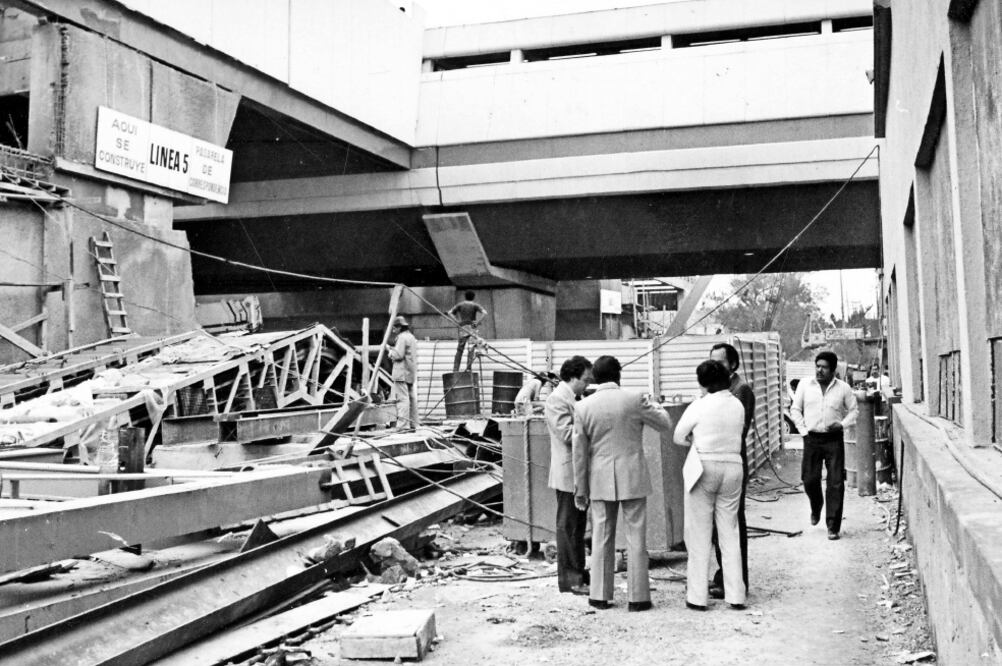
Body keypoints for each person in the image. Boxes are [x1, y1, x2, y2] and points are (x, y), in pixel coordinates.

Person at [572, 355, 674, 611]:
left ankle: (600, 595)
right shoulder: (635, 399)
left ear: (594, 377)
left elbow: (579, 453)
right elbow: (664, 423)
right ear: (619, 374)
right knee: (636, 536)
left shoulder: (583, 407)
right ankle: (638, 598)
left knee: (601, 535)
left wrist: (580, 489)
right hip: (632, 475)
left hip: (599, 477)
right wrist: (655, 404)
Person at [673, 359, 747, 611]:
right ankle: (736, 595)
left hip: (704, 465)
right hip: (733, 467)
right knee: (729, 532)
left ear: (703, 382)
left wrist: (696, 439)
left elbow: (678, 435)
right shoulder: (737, 404)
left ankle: (697, 597)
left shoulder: (700, 405)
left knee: (700, 534)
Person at [706, 342, 755, 600]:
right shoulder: (716, 391)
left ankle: (737, 581)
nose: (715, 366)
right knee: (717, 526)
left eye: (720, 362)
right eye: (712, 361)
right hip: (716, 466)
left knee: (733, 524)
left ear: (733, 365)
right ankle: (724, 577)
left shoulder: (741, 390)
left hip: (732, 465)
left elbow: (738, 430)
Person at [791, 350, 858, 540]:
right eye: (817, 366)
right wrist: (803, 432)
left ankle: (832, 526)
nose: (819, 370)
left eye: (824, 367)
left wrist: (842, 425)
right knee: (809, 479)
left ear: (833, 370)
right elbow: (795, 409)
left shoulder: (843, 388)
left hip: (833, 439)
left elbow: (854, 411)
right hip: (811, 438)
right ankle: (816, 505)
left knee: (835, 482)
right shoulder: (805, 385)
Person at [544, 356, 593, 595]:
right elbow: (566, 435)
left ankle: (579, 574)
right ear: (572, 377)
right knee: (569, 527)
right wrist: (592, 426)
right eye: (584, 380)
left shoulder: (574, 398)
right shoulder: (556, 400)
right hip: (567, 473)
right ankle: (571, 580)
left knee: (577, 526)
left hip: (577, 472)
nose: (587, 384)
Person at [386, 315, 418, 429]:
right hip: (409, 372)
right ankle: (414, 425)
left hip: (401, 372)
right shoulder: (411, 337)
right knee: (411, 398)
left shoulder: (401, 337)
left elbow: (398, 355)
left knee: (402, 399)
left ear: (399, 327)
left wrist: (389, 351)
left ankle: (403, 426)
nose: (393, 330)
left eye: (394, 327)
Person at [448, 290, 487, 372]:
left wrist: (457, 321)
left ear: (465, 296)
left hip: (463, 328)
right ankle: (468, 369)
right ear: (473, 297)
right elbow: (484, 313)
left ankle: (455, 369)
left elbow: (450, 313)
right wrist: (478, 322)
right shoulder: (475, 305)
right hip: (472, 328)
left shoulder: (460, 305)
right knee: (471, 349)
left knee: (459, 350)